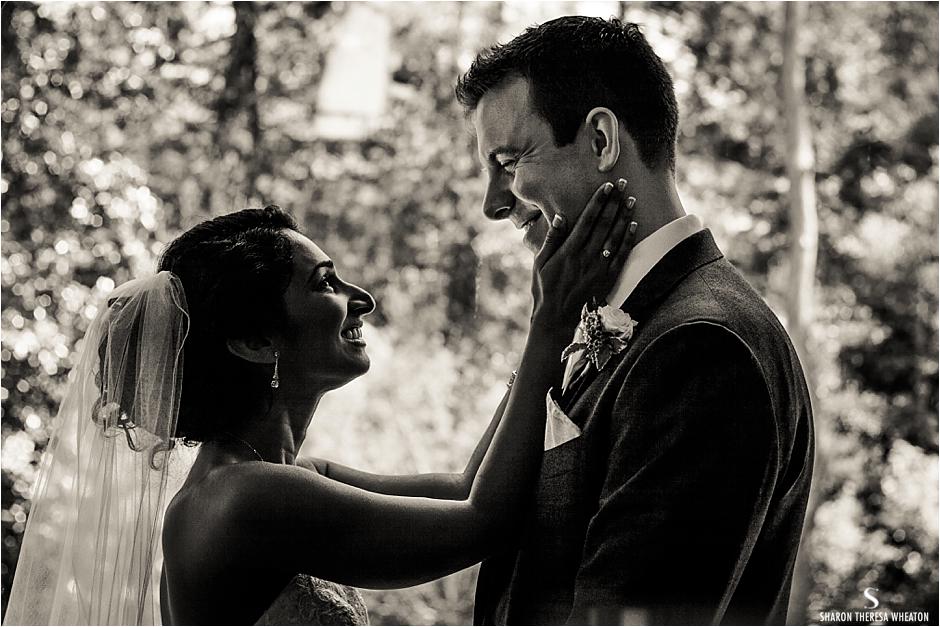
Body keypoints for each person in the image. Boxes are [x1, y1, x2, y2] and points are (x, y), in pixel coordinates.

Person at [4, 189, 637, 625]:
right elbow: (482, 522)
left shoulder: (285, 481)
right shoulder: (245, 499)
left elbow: (467, 489)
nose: (359, 297)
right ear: (255, 342)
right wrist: (547, 323)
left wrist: (557, 327)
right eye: (324, 283)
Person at [456, 15, 815, 625]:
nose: (494, 204)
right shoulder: (608, 314)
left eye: (511, 162)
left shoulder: (702, 347)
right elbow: (478, 495)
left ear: (601, 140)